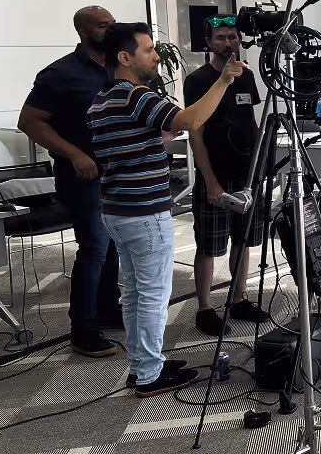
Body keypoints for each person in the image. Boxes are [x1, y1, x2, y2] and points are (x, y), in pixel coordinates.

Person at [88, 22, 245, 396]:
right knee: (153, 296)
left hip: (118, 210)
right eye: (148, 50)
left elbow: (128, 140)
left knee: (135, 293)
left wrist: (158, 134)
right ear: (125, 57)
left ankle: (144, 365)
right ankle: (149, 376)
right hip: (143, 213)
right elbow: (190, 121)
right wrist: (224, 80)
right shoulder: (135, 95)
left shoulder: (102, 99)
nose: (156, 57)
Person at [18, 6, 123, 357]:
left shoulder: (119, 67)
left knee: (113, 246)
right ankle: (84, 328)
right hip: (83, 176)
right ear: (83, 32)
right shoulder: (60, 73)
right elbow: (30, 122)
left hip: (117, 173)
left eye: (113, 24)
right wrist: (75, 154)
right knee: (94, 248)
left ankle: (107, 309)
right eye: (103, 26)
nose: (111, 30)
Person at [184, 14, 268, 336]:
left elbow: (251, 122)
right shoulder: (198, 80)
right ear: (208, 43)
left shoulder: (247, 76)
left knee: (243, 241)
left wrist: (260, 169)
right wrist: (210, 182)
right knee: (208, 246)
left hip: (246, 175)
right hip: (215, 175)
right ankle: (205, 308)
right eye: (220, 37)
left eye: (233, 36)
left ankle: (239, 299)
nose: (228, 42)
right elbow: (195, 134)